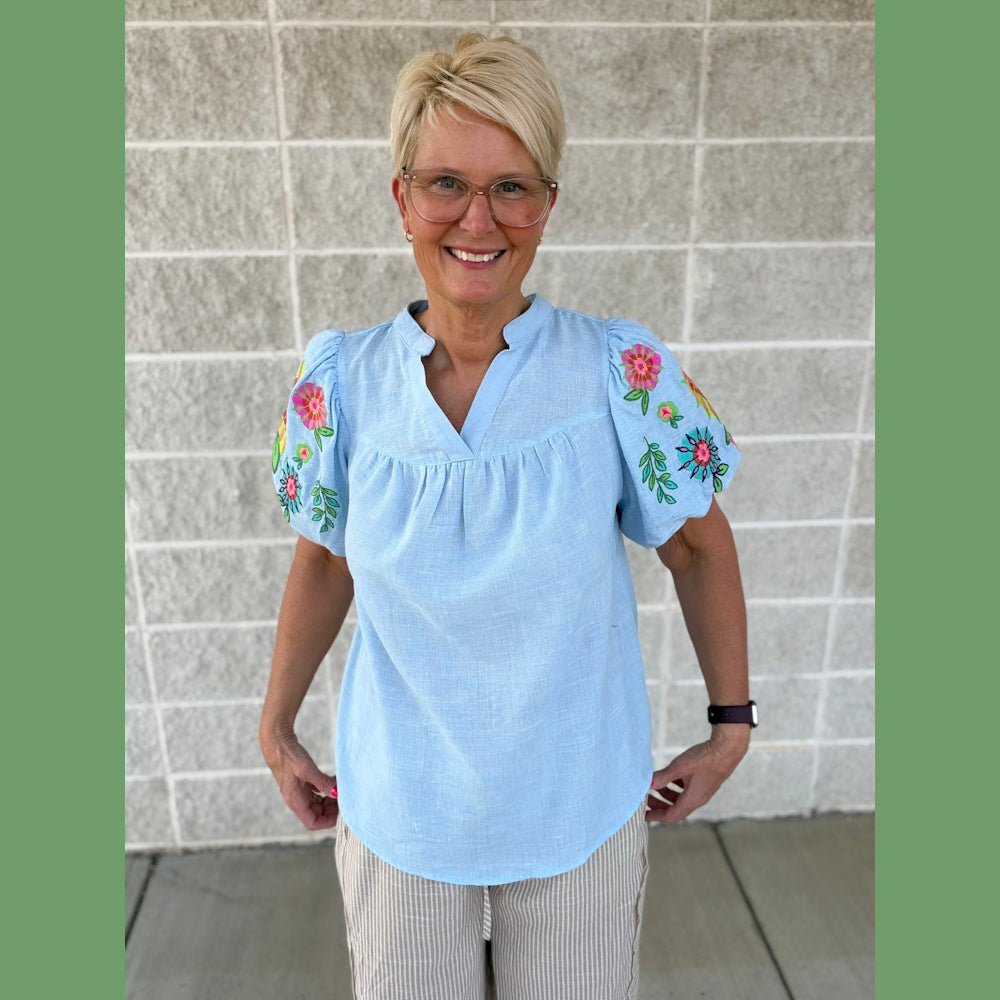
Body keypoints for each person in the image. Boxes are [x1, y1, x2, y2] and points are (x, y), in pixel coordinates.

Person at [260, 32, 754, 1000]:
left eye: (512, 187)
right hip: (401, 811)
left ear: (549, 203)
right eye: (446, 182)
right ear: (400, 197)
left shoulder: (621, 372)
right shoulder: (340, 385)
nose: (477, 218)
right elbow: (324, 559)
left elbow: (697, 544)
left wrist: (730, 723)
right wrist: (276, 726)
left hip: (577, 804)